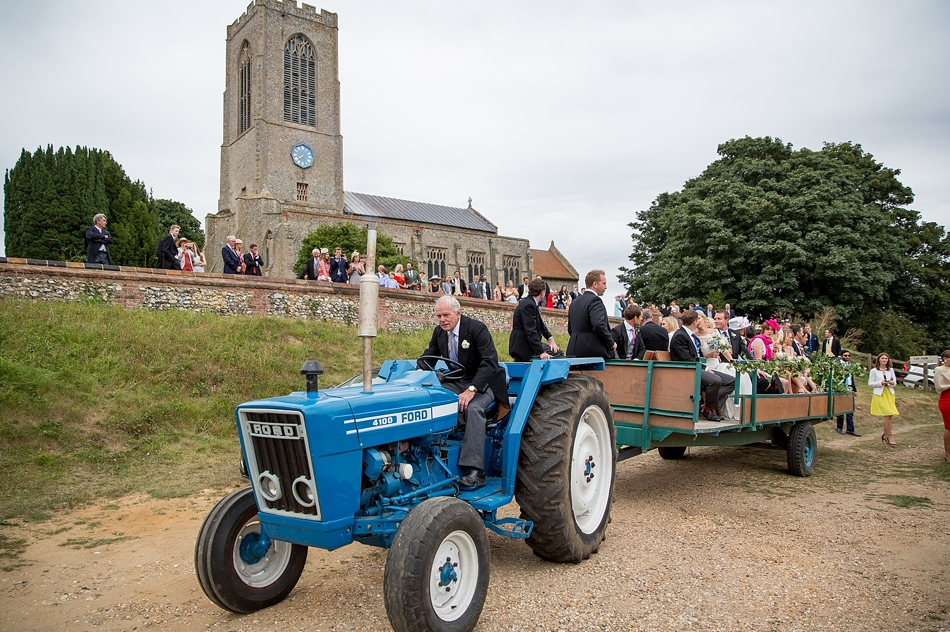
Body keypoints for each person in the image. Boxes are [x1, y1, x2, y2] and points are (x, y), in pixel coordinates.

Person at [419, 296, 508, 490]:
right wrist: (417, 375)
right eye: (438, 316)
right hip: (458, 379)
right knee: (434, 397)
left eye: (446, 315)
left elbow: (490, 362)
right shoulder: (439, 333)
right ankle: (428, 455)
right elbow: (429, 358)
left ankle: (476, 471)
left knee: (474, 408)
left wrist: (471, 390)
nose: (442, 319)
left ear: (458, 313)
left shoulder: (476, 329)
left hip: (486, 381)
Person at [669, 309, 735, 421]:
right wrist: (706, 368)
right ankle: (709, 410)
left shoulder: (689, 335)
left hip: (697, 366)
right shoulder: (680, 335)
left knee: (731, 381)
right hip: (687, 370)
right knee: (715, 380)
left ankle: (707, 407)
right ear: (694, 322)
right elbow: (687, 360)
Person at [567, 269, 616, 359]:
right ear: (595, 284)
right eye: (604, 283)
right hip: (592, 351)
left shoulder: (574, 302)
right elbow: (598, 324)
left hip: (573, 349)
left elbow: (570, 329)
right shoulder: (595, 300)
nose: (606, 287)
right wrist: (611, 342)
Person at [509, 278, 560, 362]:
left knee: (556, 352)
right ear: (542, 292)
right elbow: (530, 331)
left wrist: (550, 338)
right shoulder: (529, 305)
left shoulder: (531, 303)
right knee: (558, 354)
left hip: (527, 344)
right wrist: (541, 352)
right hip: (523, 347)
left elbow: (540, 324)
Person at [869, 353, 899, 447]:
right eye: (882, 358)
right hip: (880, 394)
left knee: (889, 415)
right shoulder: (874, 371)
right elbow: (870, 383)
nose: (884, 360)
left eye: (886, 358)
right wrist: (880, 383)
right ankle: (890, 436)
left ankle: (886, 435)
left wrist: (891, 383)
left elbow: (895, 383)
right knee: (887, 415)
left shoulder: (890, 370)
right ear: (879, 360)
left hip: (889, 393)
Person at [835, 350, 860, 436]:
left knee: (850, 409)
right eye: (845, 356)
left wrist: (855, 390)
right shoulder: (837, 365)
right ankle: (839, 427)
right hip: (841, 386)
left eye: (849, 356)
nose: (847, 357)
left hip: (849, 386)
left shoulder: (849, 365)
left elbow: (851, 379)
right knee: (841, 409)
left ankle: (850, 429)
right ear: (841, 356)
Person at [935, 349, 950, 463]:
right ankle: (947, 453)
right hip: (947, 399)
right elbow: (939, 387)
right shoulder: (940, 370)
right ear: (945, 358)